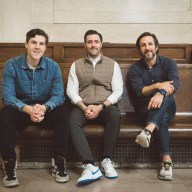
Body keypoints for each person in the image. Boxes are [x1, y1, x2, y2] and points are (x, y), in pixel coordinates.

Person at [0, 28, 70, 187]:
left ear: (45, 47)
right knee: (5, 115)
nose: (37, 47)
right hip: (21, 111)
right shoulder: (12, 65)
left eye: (41, 44)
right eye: (34, 42)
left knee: (63, 113)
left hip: (45, 111)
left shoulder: (52, 66)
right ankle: (9, 165)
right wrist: (27, 109)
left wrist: (44, 108)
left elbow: (58, 95)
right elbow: (8, 97)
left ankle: (59, 163)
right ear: (26, 44)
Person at [67, 30, 123, 185]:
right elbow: (71, 90)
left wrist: (101, 106)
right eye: (90, 41)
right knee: (71, 120)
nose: (93, 45)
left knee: (115, 115)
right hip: (82, 106)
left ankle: (106, 160)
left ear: (101, 44)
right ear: (85, 44)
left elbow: (118, 91)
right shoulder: (76, 65)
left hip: (104, 106)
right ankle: (89, 165)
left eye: (96, 41)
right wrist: (84, 107)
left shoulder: (112, 64)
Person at [128, 32, 179, 181]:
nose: (147, 48)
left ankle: (148, 130)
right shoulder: (135, 69)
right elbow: (140, 91)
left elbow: (175, 84)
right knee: (160, 119)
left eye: (150, 44)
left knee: (167, 96)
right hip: (145, 111)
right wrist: (157, 85)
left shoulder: (169, 63)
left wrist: (160, 93)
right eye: (143, 45)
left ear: (156, 47)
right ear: (139, 50)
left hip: (169, 108)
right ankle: (166, 161)